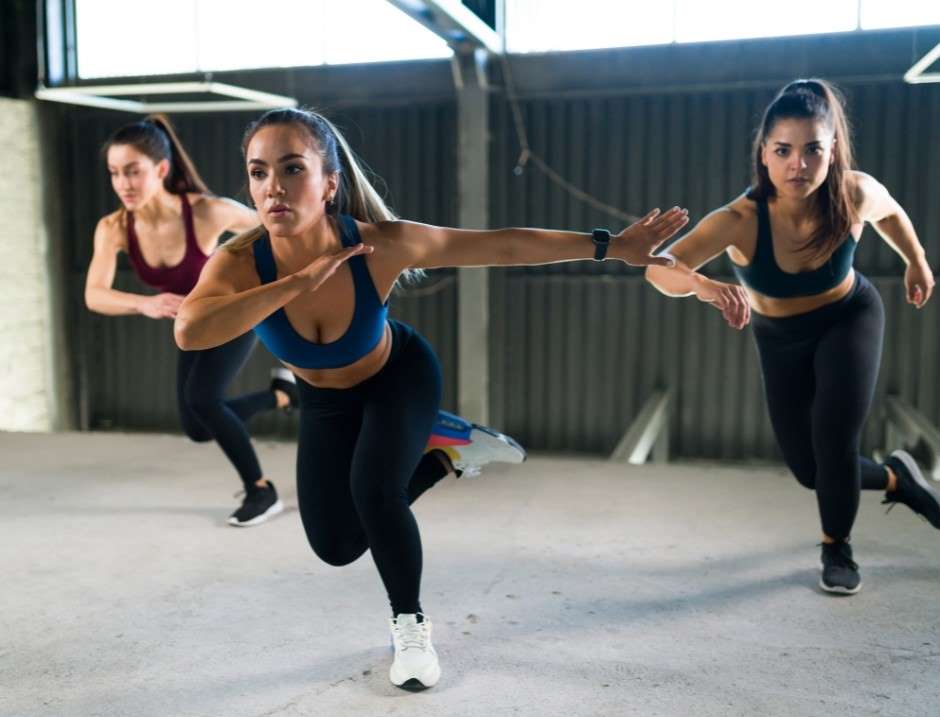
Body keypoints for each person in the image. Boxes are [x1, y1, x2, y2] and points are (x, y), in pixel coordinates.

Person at [173, 107, 688, 689]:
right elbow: (191, 330)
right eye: (259, 172)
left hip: (398, 377)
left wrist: (612, 246)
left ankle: (411, 628)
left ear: (330, 183)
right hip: (324, 402)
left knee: (375, 493)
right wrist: (297, 282)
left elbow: (503, 246)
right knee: (337, 546)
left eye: (293, 168)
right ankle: (448, 454)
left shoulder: (380, 245)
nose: (274, 187)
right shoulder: (241, 263)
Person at [646, 79, 939, 596]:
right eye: (783, 150)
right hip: (779, 338)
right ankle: (899, 479)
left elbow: (891, 211)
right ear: (764, 154)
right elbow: (658, 269)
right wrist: (700, 285)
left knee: (834, 441)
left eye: (812, 150)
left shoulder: (853, 193)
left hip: (849, 318)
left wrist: (915, 261)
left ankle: (836, 546)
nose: (797, 164)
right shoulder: (739, 220)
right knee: (810, 470)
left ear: (833, 151)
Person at [85, 114, 296, 527]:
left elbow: (280, 224)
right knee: (198, 427)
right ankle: (284, 396)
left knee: (203, 399)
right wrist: (144, 304)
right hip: (194, 325)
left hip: (234, 309)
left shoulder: (206, 212)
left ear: (161, 169)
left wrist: (274, 283)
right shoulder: (113, 228)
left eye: (133, 171)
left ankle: (261, 490)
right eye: (115, 173)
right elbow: (95, 294)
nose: (123, 183)